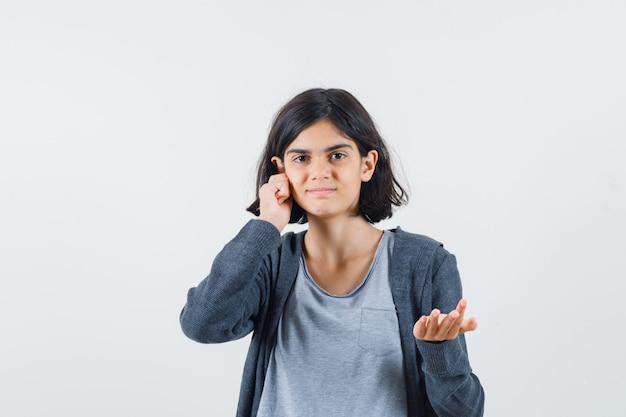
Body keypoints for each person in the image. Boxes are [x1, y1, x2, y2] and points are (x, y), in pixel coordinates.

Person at [180, 88, 485, 416]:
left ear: (366, 165)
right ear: (279, 169)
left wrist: (439, 352)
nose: (319, 172)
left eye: (337, 155)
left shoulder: (425, 264)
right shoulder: (270, 261)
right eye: (301, 158)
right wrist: (267, 223)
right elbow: (201, 324)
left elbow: (464, 411)